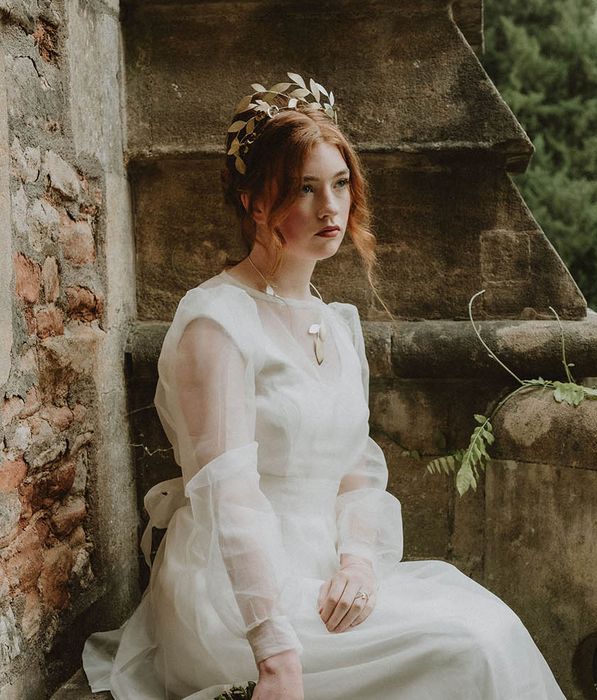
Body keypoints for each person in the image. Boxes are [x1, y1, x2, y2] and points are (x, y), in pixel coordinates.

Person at [82, 73, 566, 700]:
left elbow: (356, 469)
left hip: (328, 569)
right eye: (304, 189)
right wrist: (276, 654)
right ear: (256, 202)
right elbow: (231, 497)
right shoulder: (216, 321)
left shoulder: (335, 323)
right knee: (463, 649)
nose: (330, 208)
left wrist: (359, 562)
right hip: (238, 597)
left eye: (339, 184)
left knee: (492, 627)